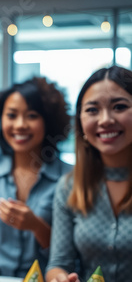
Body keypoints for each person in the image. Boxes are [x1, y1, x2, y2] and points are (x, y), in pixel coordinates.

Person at [0, 77, 72, 278]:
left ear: (48, 121)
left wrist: (36, 225)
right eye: (11, 115)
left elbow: (69, 256)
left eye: (32, 115)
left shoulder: (69, 177)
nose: (20, 125)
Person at [46, 66, 132, 282]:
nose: (105, 120)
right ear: (80, 121)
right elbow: (58, 264)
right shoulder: (69, 186)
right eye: (92, 110)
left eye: (119, 106)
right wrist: (59, 278)